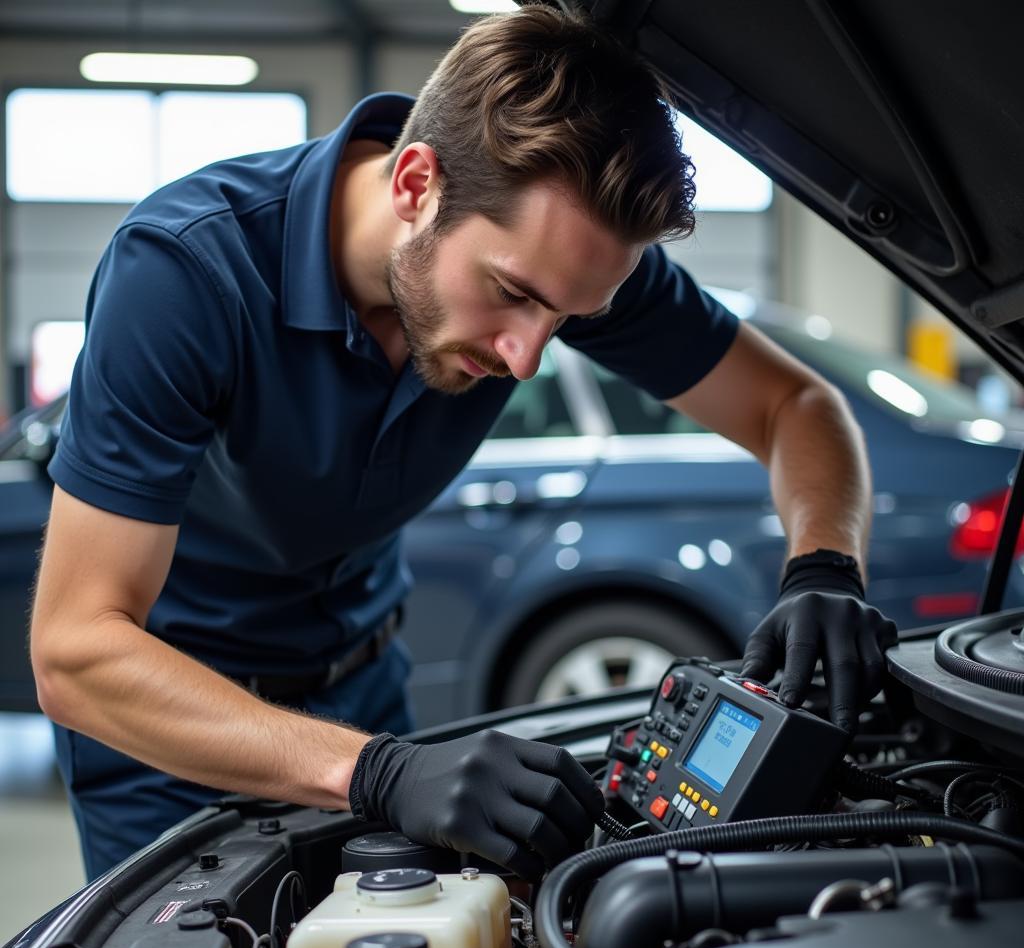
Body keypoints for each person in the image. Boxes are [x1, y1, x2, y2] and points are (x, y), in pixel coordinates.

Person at [30, 6, 896, 882]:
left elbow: (795, 404)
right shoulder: (185, 275)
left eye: (568, 318)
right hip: (173, 734)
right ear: (415, 183)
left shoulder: (559, 260)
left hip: (371, 700)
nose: (527, 356)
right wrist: (374, 773)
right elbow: (77, 651)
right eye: (512, 293)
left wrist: (823, 566)